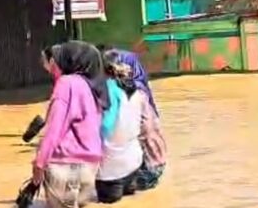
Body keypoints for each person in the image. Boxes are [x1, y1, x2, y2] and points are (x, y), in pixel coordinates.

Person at [32, 41, 108, 208]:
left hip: (64, 166)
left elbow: (54, 129)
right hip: (90, 168)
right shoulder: (92, 87)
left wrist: (39, 162)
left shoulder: (66, 83)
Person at [102, 50, 167, 192]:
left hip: (143, 167)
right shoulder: (140, 89)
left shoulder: (121, 92)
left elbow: (108, 129)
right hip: (155, 162)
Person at [95, 57, 147, 204]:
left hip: (111, 172)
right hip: (134, 163)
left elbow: (105, 127)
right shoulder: (135, 89)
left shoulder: (109, 89)